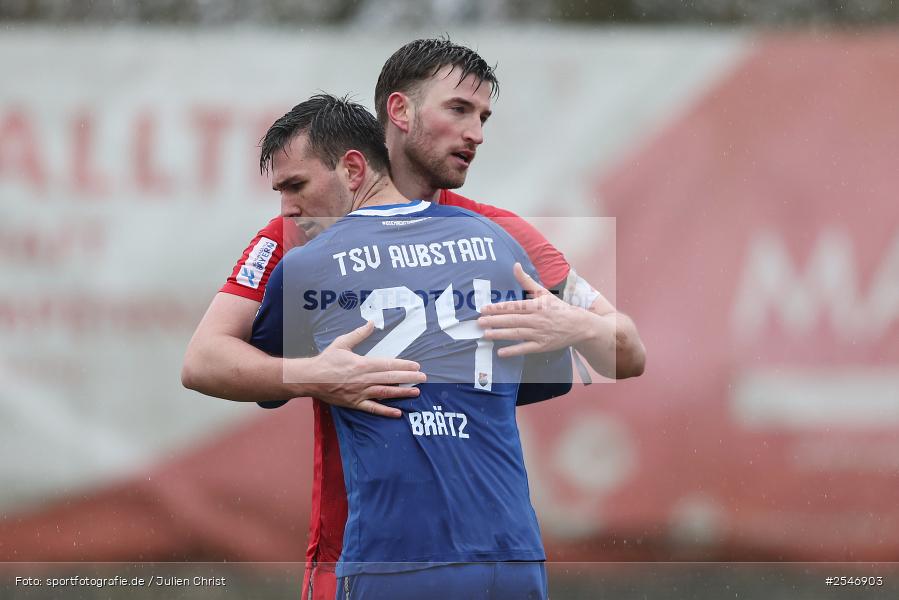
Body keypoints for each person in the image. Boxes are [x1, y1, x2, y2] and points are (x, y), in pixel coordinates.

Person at [181, 38, 645, 599]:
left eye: (483, 117)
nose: (476, 132)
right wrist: (315, 376)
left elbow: (626, 349)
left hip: (486, 550)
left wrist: (580, 327)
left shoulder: (496, 233)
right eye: (458, 109)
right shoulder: (303, 230)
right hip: (354, 553)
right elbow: (204, 357)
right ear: (399, 112)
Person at [251, 93, 566, 599]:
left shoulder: (309, 263)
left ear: (354, 168)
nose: (288, 208)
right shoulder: (497, 241)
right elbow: (550, 374)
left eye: (295, 185)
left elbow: (246, 375)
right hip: (512, 554)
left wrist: (319, 375)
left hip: (394, 555)